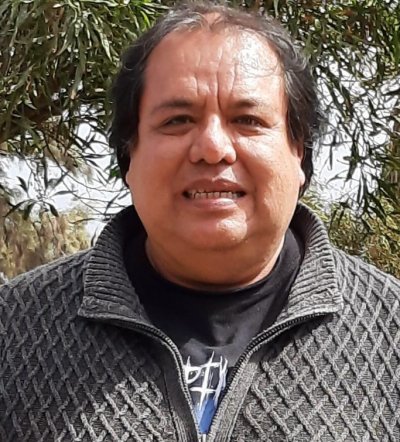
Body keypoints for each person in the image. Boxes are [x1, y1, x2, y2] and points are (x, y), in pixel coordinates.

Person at [1, 1, 399, 441]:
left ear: (298, 152)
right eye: (178, 120)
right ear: (129, 153)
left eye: (247, 120)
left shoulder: (390, 329)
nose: (212, 148)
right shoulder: (13, 327)